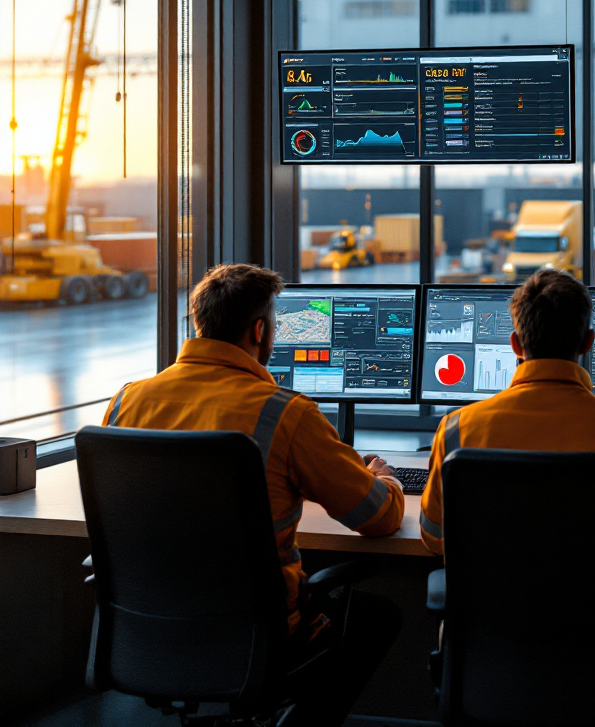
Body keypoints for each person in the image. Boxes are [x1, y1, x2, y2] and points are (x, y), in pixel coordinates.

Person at [102, 263, 404, 724]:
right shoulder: (285, 414)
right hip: (257, 637)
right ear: (259, 330)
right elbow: (377, 517)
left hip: (147, 626)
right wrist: (388, 480)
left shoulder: (128, 400)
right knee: (377, 616)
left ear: (200, 323)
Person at [419, 269, 595, 557]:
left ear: (515, 345)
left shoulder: (456, 430)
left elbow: (434, 537)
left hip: (494, 602)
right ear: (588, 343)